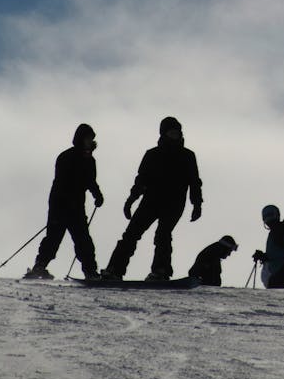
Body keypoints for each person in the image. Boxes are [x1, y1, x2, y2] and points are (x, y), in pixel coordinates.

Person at [102, 116, 203, 281]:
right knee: (131, 234)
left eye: (177, 132)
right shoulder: (152, 155)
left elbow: (194, 182)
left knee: (163, 235)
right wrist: (131, 201)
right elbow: (141, 180)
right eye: (171, 132)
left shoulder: (187, 156)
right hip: (151, 201)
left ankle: (161, 271)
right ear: (163, 134)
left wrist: (197, 205)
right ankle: (114, 270)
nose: (174, 135)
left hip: (174, 203)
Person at [25, 123, 104, 280]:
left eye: (91, 138)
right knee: (54, 238)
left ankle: (90, 271)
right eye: (87, 138)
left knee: (83, 241)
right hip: (60, 205)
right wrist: (66, 201)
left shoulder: (89, 160)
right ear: (80, 139)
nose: (90, 141)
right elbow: (62, 181)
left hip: (76, 207)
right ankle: (39, 266)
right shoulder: (66, 157)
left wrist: (97, 195)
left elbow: (90, 181)